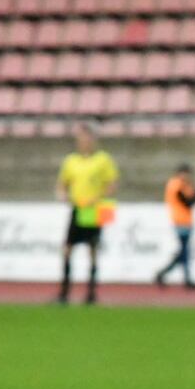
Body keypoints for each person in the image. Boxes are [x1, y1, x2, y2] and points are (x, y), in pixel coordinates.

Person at [55, 122, 119, 305]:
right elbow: (62, 183)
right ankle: (64, 292)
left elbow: (112, 184)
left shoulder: (103, 160)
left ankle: (91, 293)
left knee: (93, 249)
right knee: (67, 249)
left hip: (96, 209)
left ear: (93, 139)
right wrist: (62, 195)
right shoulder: (71, 161)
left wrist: (98, 197)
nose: (84, 142)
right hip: (77, 208)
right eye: (81, 138)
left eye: (87, 138)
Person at [155, 163, 195, 289]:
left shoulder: (184, 185)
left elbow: (194, 198)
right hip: (180, 221)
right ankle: (183, 278)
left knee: (184, 251)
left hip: (186, 221)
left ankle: (167, 274)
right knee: (184, 251)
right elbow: (188, 201)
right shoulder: (176, 184)